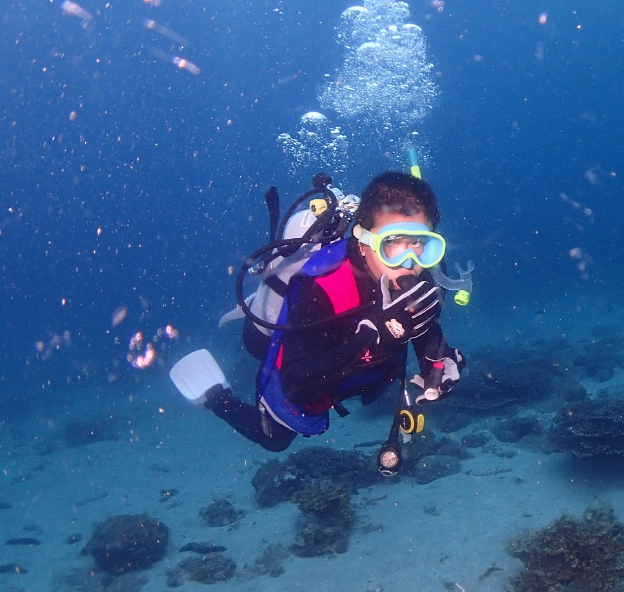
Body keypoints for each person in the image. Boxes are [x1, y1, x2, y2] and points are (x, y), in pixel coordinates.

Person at [172, 171, 465, 469]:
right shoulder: (321, 286)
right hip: (298, 350)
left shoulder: (416, 272)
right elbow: (296, 385)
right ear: (363, 243)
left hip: (351, 368)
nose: (409, 261)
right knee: (275, 438)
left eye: (420, 243)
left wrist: (438, 362)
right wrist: (374, 334)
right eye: (393, 243)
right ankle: (216, 399)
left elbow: (423, 324)